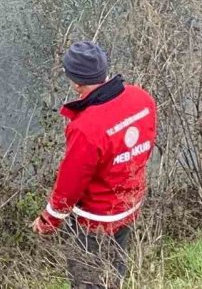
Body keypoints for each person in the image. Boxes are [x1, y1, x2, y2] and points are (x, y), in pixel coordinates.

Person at [31, 41, 157, 289]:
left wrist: (48, 220)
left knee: (87, 279)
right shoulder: (142, 98)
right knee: (114, 270)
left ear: (75, 82)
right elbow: (147, 143)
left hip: (94, 219)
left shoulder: (86, 128)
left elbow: (70, 186)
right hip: (129, 206)